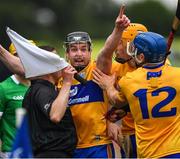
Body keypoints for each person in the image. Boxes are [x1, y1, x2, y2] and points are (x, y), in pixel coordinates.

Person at [0, 7, 130, 157]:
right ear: (67, 53)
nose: (79, 54)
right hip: (70, 149)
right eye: (74, 49)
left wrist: (118, 29)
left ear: (90, 51)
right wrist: (2, 51)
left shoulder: (97, 69)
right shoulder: (59, 74)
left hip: (97, 146)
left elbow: (107, 50)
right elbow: (24, 68)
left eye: (83, 49)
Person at [93, 32, 180, 158]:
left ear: (141, 57)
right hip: (175, 150)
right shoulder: (177, 75)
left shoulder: (129, 80)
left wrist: (108, 87)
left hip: (148, 152)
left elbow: (116, 100)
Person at [0, 43, 31, 158]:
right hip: (11, 152)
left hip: (36, 151)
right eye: (19, 56)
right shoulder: (3, 88)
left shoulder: (41, 85)